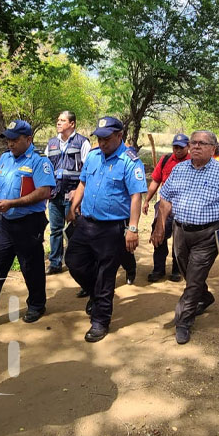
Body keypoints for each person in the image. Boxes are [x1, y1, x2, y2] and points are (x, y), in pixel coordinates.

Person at [151, 130, 219, 344]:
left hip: (208, 235)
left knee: (193, 279)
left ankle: (184, 321)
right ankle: (205, 296)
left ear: (213, 149)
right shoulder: (179, 169)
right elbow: (165, 199)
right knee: (188, 272)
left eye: (202, 143)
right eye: (193, 142)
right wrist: (159, 226)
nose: (196, 146)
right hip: (181, 231)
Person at [65, 116, 147, 342]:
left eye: (107, 139)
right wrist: (74, 206)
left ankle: (100, 321)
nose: (102, 143)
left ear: (119, 136)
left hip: (111, 229)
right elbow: (82, 183)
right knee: (74, 261)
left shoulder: (130, 161)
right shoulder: (92, 156)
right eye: (99, 138)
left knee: (105, 275)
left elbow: (136, 196)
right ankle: (95, 294)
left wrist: (133, 228)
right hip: (86, 224)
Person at [0, 120, 55, 327]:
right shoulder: (5, 158)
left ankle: (37, 305)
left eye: (14, 140)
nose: (10, 144)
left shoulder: (40, 162)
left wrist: (12, 202)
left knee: (31, 267)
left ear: (28, 139)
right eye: (8, 140)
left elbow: (44, 191)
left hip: (29, 223)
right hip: (6, 224)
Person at [45, 111, 91, 277]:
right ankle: (55, 263)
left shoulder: (83, 143)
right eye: (58, 120)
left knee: (75, 231)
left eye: (62, 120)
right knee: (55, 230)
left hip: (74, 196)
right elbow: (46, 170)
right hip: (55, 195)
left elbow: (88, 171)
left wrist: (78, 192)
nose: (58, 123)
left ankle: (78, 263)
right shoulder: (51, 144)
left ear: (72, 124)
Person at [142, 133, 191, 282]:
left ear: (188, 147)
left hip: (184, 207)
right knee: (158, 234)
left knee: (180, 239)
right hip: (163, 204)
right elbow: (155, 181)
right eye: (175, 147)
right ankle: (158, 269)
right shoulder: (165, 160)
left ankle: (177, 270)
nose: (178, 150)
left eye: (181, 147)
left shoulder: (194, 162)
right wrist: (147, 200)